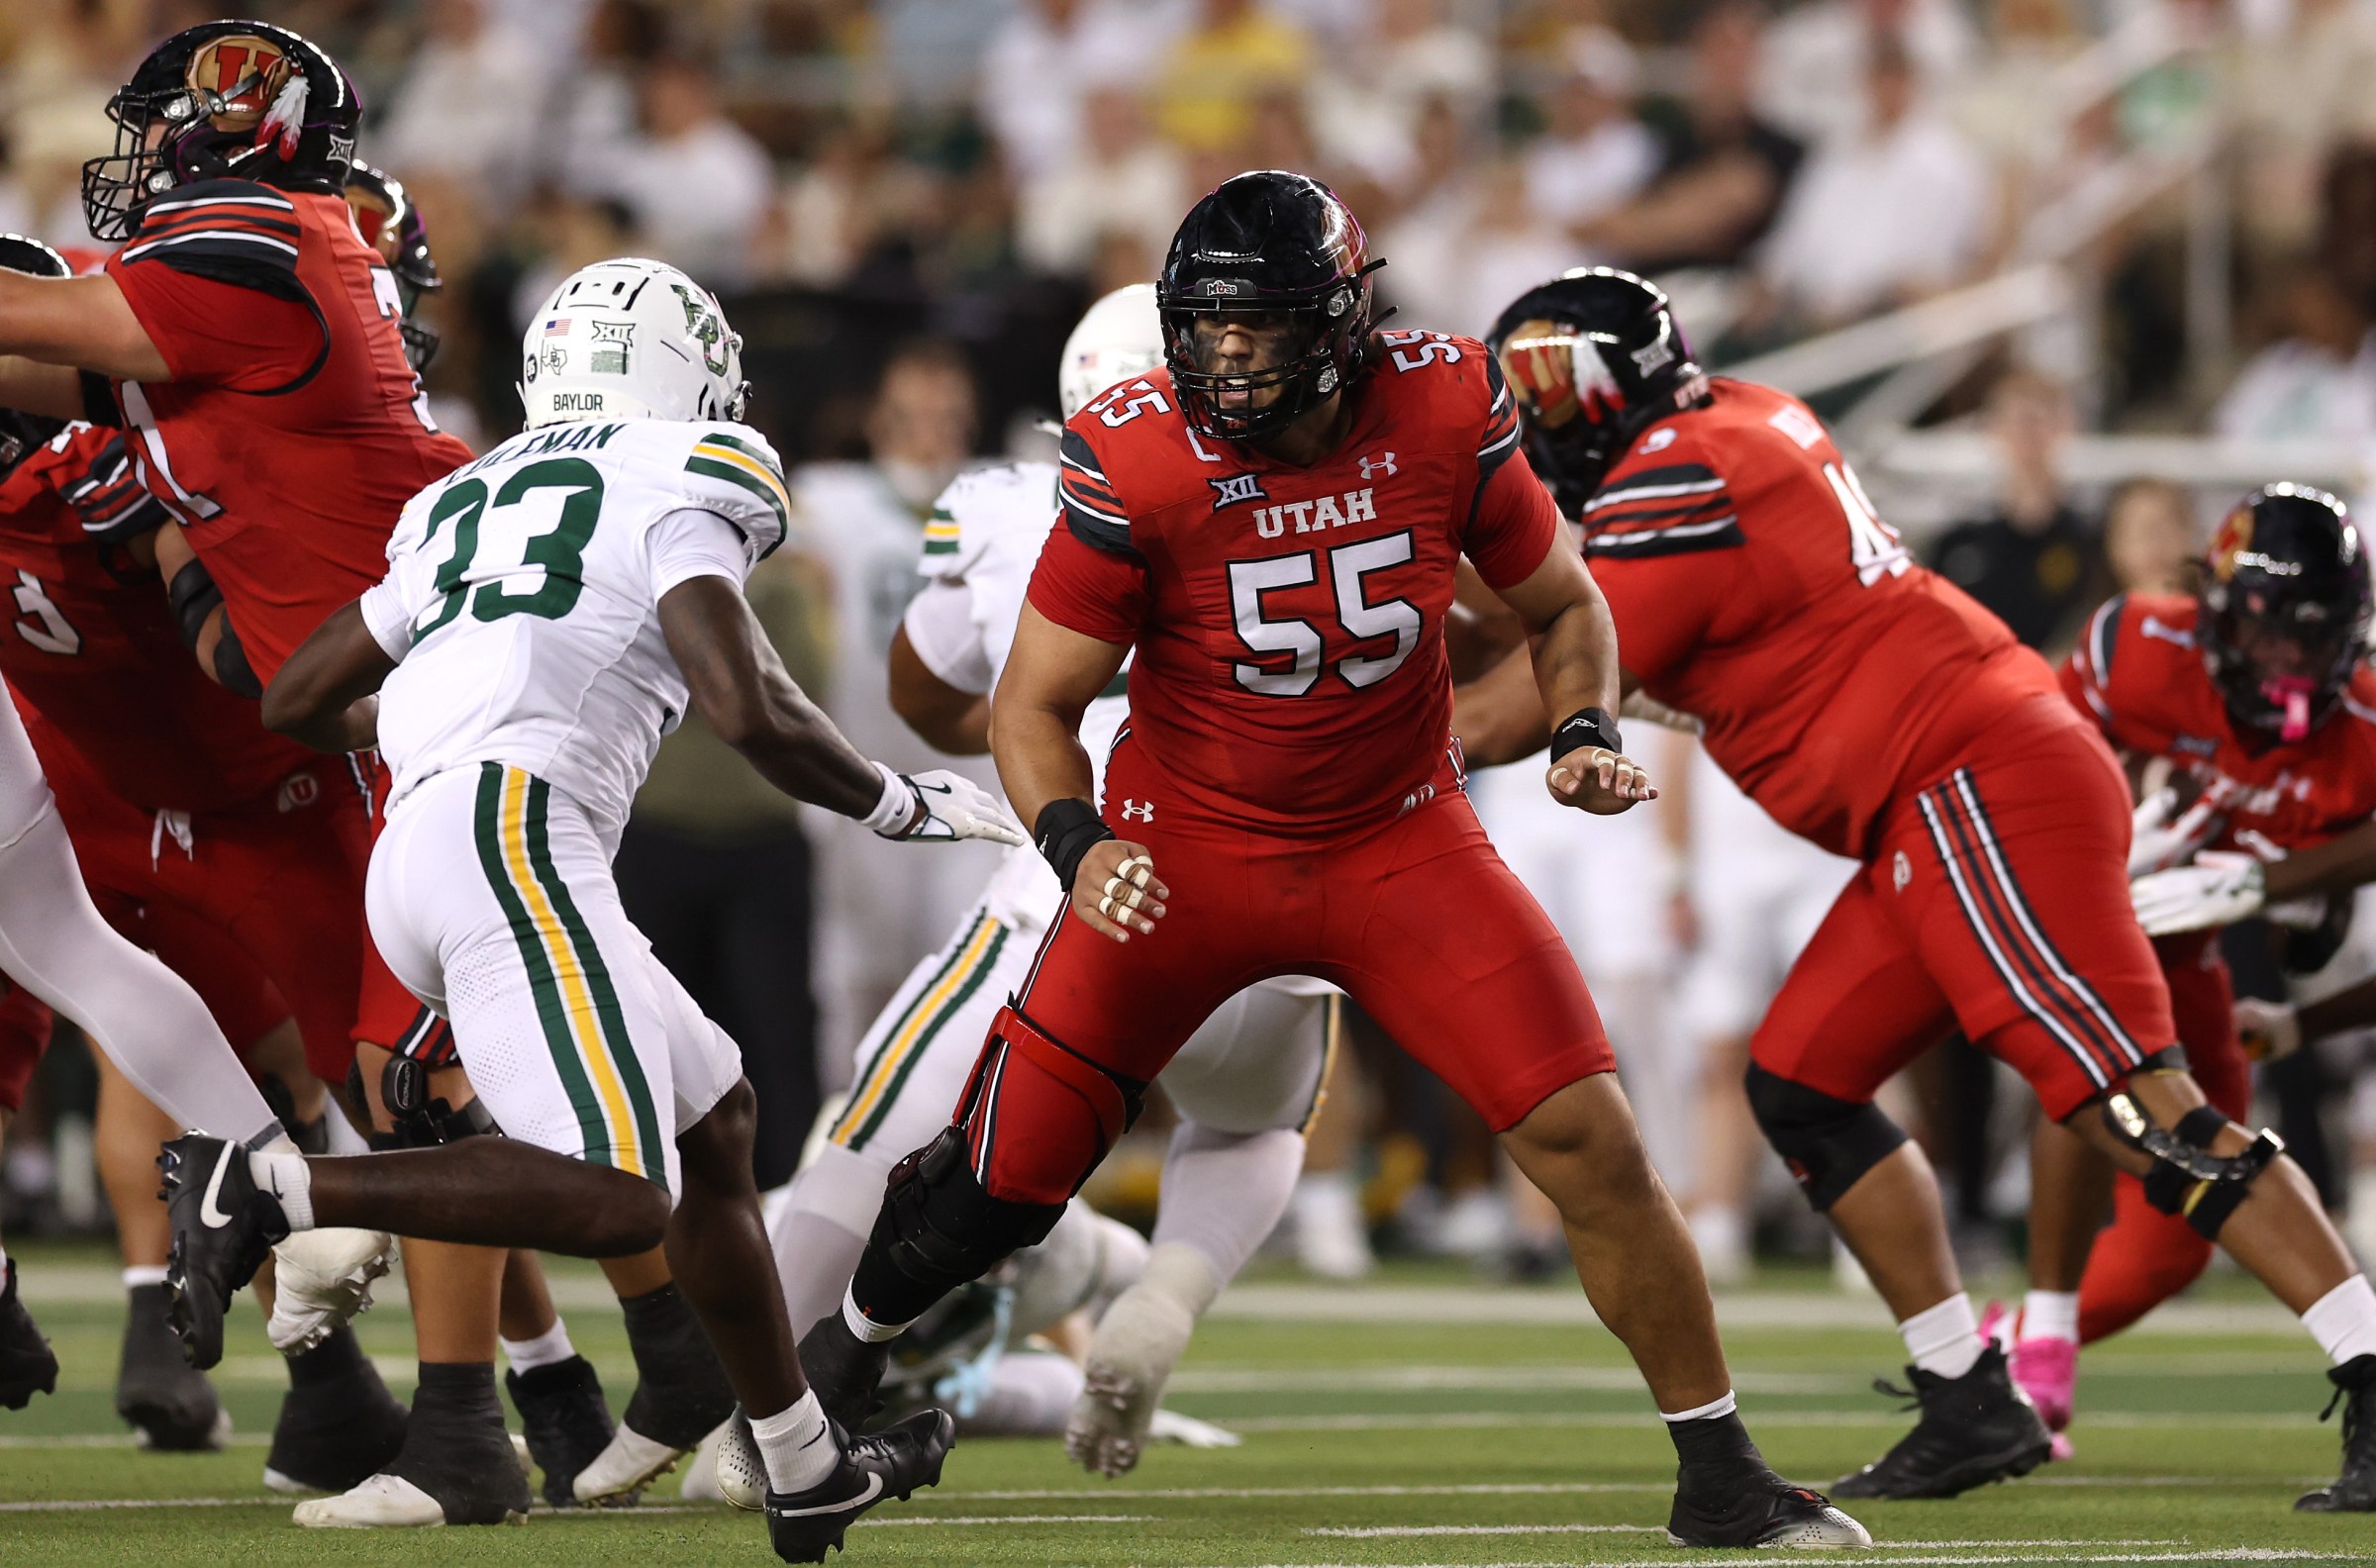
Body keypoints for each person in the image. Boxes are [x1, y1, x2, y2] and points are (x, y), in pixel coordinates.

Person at [794, 171, 1868, 1549]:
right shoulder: (1137, 447)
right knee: (1003, 1174)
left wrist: (1586, 724)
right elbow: (1030, 707)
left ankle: (1719, 1469)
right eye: (1205, 327)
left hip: (1395, 837)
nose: (1223, 356)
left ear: (1342, 325)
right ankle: (846, 1359)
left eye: (1258, 328)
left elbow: (1561, 603)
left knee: (1590, 1141)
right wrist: (1077, 840)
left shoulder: (1441, 401)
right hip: (1187, 851)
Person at [1472, 265, 2376, 1509]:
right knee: (1802, 1082)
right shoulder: (1735, 417)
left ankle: (2371, 1372)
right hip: (1937, 796)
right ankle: (1969, 1395)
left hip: (1971, 779)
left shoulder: (1680, 475)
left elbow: (1535, 697)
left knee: (2133, 1108)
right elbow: (1549, 635)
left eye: (1532, 387)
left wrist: (1351, 729)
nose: (1525, 420)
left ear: (1586, 390)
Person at [184, 256, 1022, 1558]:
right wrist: (891, 801)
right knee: (622, 1194)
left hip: (427, 839)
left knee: (718, 1119)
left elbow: (295, 698)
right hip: (519, 831)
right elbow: (746, 700)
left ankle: (802, 1464)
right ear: (685, 372)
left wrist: (420, 712)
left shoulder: (468, 492)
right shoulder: (691, 472)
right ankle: (280, 1189)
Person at [0, 21, 538, 1524]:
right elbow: (70, 387)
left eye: (169, 126)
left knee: (437, 1092)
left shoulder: (248, 249)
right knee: (438, 1086)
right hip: (362, 721)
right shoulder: (255, 275)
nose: (149, 156)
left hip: (394, 739)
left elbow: (64, 353)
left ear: (233, 129)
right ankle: (552, 1396)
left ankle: (498, 1413)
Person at [765, 283, 1335, 1481]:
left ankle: (749, 1413)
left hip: (1089, 878)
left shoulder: (1023, 502)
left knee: (877, 1139)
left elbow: (923, 692)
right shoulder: (1322, 500)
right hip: (1280, 899)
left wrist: (1039, 715)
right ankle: (1164, 1296)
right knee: (1251, 1121)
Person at [0, 230, 408, 1483]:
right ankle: (295, 1208)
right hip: (187, 778)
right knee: (82, 954)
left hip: (176, 785)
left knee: (83, 957)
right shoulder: (105, 443)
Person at [1993, 486, 2376, 1478]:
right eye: (2268, 623)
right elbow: (2028, 752)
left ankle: (1996, 1354)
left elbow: (2308, 935)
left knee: (2175, 1247)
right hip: (2082, 919)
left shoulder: (2364, 725)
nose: (2290, 654)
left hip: (2190, 952)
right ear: (2218, 608)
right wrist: (2100, 836)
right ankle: (2038, 1346)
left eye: (2314, 629)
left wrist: (2281, 893)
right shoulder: (2142, 648)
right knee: (2090, 1056)